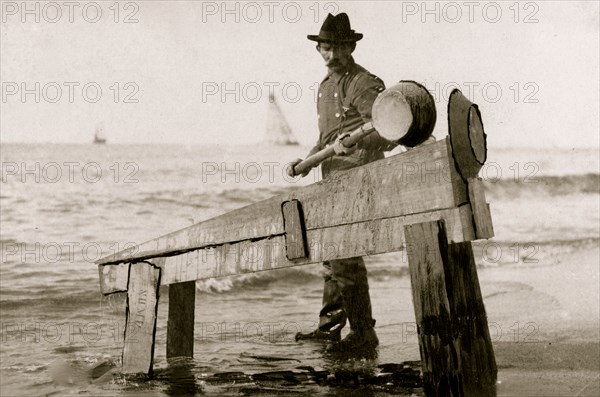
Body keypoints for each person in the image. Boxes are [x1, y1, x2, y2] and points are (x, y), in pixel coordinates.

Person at [287, 13, 397, 352]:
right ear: (318, 49)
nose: (331, 55)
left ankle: (364, 333)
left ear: (350, 47)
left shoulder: (364, 83)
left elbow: (389, 132)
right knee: (332, 254)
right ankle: (329, 328)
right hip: (332, 180)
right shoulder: (324, 88)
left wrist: (357, 141)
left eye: (338, 48)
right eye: (325, 48)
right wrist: (305, 161)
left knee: (344, 255)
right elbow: (326, 139)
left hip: (360, 180)